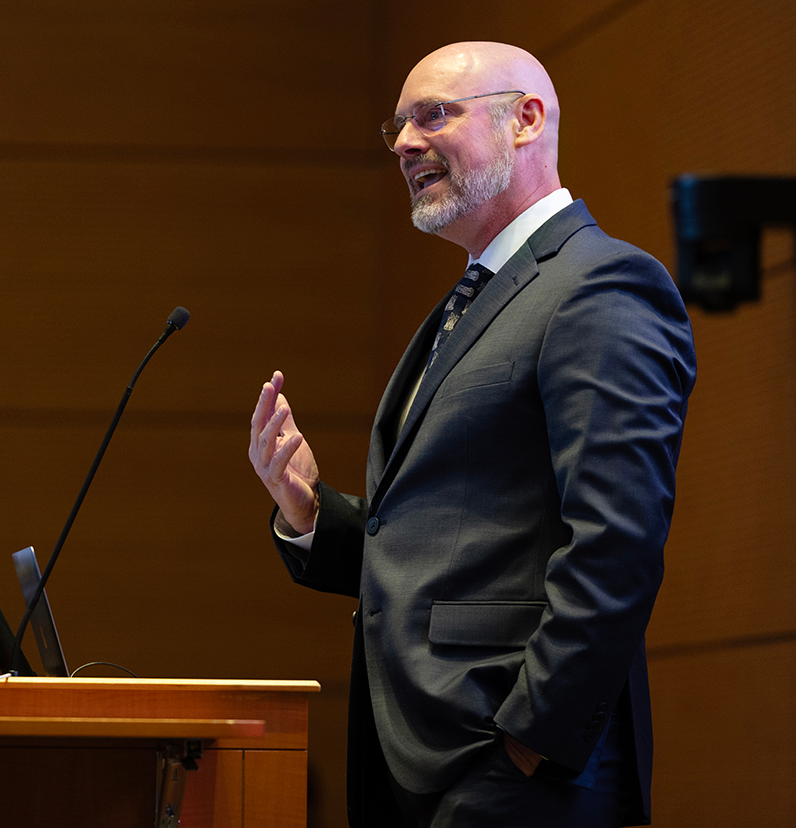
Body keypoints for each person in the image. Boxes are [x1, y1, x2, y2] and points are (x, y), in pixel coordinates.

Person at [249, 42, 696, 827]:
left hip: (517, 773)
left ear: (525, 120)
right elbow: (450, 546)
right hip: (430, 758)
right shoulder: (474, 300)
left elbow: (617, 545)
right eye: (396, 125)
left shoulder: (599, 285)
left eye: (434, 116)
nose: (403, 144)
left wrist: (529, 744)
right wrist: (313, 513)